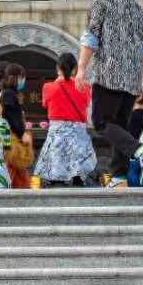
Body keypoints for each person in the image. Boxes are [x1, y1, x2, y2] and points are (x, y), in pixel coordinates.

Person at [77, 0, 143, 183]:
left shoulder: (101, 2)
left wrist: (80, 69)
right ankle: (119, 176)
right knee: (119, 126)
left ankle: (138, 150)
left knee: (101, 122)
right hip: (130, 79)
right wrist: (139, 80)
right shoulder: (137, 9)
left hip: (108, 75)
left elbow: (91, 38)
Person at [34, 53, 96, 186]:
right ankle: (78, 182)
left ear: (58, 68)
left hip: (58, 132)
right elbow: (86, 103)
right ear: (75, 69)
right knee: (78, 171)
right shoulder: (85, 87)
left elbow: (45, 104)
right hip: (78, 132)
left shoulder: (48, 87)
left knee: (56, 168)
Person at [0, 62, 33, 187]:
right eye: (22, 77)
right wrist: (22, 133)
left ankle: (23, 195)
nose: (23, 81)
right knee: (11, 169)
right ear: (16, 78)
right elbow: (11, 116)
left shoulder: (5, 93)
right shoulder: (9, 94)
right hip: (12, 139)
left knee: (19, 173)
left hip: (9, 138)